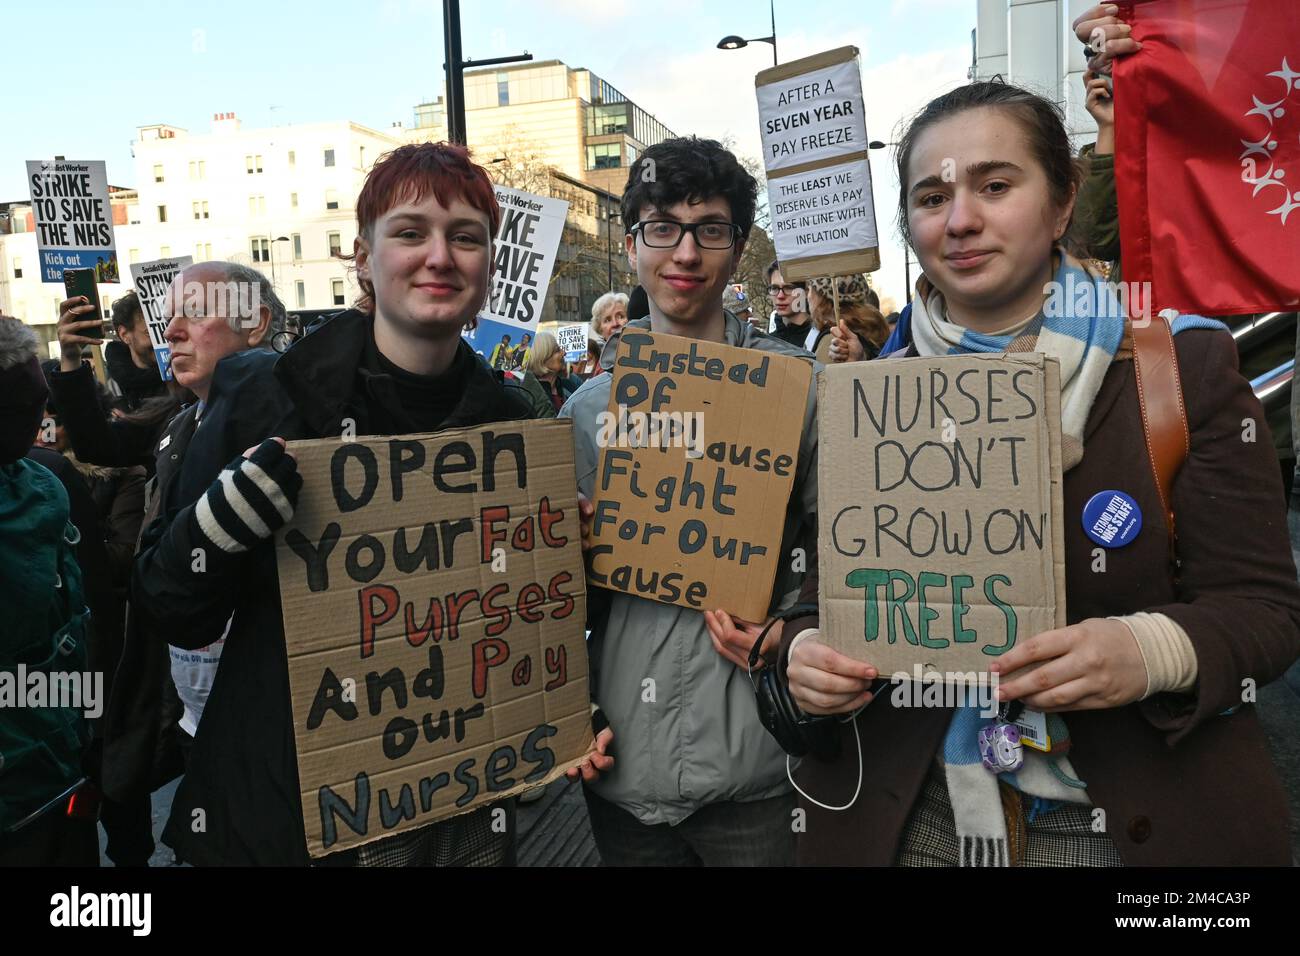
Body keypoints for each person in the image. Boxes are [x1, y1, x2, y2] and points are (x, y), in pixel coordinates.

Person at [745, 77, 1300, 867]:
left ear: (1064, 200)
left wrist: (1149, 650)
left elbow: (1268, 612)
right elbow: (825, 590)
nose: (961, 219)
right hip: (917, 822)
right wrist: (802, 652)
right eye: (931, 197)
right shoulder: (870, 394)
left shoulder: (1179, 369)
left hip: (1120, 829)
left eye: (996, 185)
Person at [131, 141, 547, 867]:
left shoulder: (512, 422)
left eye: (466, 237)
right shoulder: (265, 394)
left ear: (488, 267)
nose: (439, 257)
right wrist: (212, 529)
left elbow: (519, 628)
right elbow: (170, 605)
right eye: (411, 232)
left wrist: (556, 553)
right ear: (363, 257)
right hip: (291, 813)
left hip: (453, 811)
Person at [559, 136, 819, 866]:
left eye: (710, 230)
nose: (684, 253)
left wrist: (793, 625)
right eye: (661, 228)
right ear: (633, 244)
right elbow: (551, 603)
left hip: (759, 768)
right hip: (622, 772)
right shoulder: (585, 412)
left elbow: (842, 548)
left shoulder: (799, 393)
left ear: (737, 249)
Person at [0, 316, 98, 866]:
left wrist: (92, 730)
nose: (43, 419)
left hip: (55, 768)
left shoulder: (45, 483)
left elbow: (79, 620)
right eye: (26, 408)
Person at [801, 274, 889, 363]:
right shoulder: (873, 326)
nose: (807, 296)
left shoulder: (834, 341)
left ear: (820, 298)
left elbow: (820, 375)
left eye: (810, 289)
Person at [104, 292, 168, 412]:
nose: (164, 339)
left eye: (165, 329)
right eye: (151, 332)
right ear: (125, 335)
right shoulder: (113, 389)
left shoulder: (183, 378)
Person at [517, 330, 578, 417]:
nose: (564, 353)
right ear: (542, 357)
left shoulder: (569, 386)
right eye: (557, 350)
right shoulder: (529, 394)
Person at [766, 260, 811, 347]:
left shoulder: (819, 337)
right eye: (774, 288)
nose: (780, 296)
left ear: (806, 291)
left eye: (788, 288)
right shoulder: (767, 343)